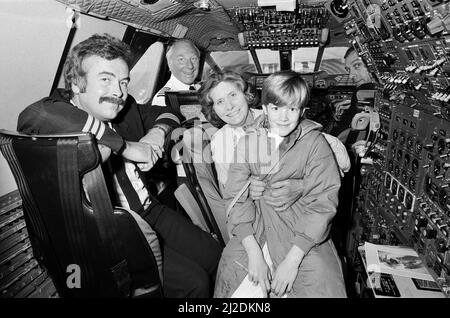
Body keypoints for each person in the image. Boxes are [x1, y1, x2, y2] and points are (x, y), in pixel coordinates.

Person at [17, 33, 222, 298]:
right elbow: (33, 115)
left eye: (123, 81)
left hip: (149, 209)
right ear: (77, 84)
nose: (118, 92)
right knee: (194, 283)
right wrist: (126, 146)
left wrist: (155, 135)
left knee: (214, 254)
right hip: (109, 232)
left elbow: (169, 113)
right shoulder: (56, 117)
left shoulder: (126, 109)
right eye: (106, 79)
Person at [214, 71, 347, 298]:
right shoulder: (247, 143)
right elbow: (235, 199)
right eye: (276, 108)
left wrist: (292, 262)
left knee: (322, 284)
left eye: (292, 109)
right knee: (231, 280)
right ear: (265, 108)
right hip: (255, 230)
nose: (284, 117)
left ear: (302, 111)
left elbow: (323, 202)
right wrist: (254, 254)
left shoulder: (315, 143)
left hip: (302, 233)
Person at [198, 71, 349, 213]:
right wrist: (246, 191)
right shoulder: (220, 141)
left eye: (232, 95)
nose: (229, 106)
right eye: (219, 101)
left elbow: (342, 161)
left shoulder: (278, 115)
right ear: (214, 109)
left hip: (303, 209)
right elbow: (230, 193)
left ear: (246, 95)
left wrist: (303, 185)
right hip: (259, 212)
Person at [151, 39, 201, 107]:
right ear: (170, 64)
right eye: (181, 59)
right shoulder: (165, 100)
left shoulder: (200, 89)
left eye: (193, 59)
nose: (190, 66)